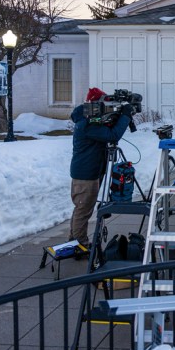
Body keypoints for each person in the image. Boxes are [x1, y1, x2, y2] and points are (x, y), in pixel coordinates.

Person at [69, 87, 134, 247]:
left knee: (82, 209)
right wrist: (125, 116)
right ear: (94, 104)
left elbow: (108, 128)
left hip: (90, 170)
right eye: (104, 103)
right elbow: (112, 135)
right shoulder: (87, 123)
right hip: (85, 174)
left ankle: (74, 241)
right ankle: (79, 244)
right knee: (83, 210)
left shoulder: (89, 118)